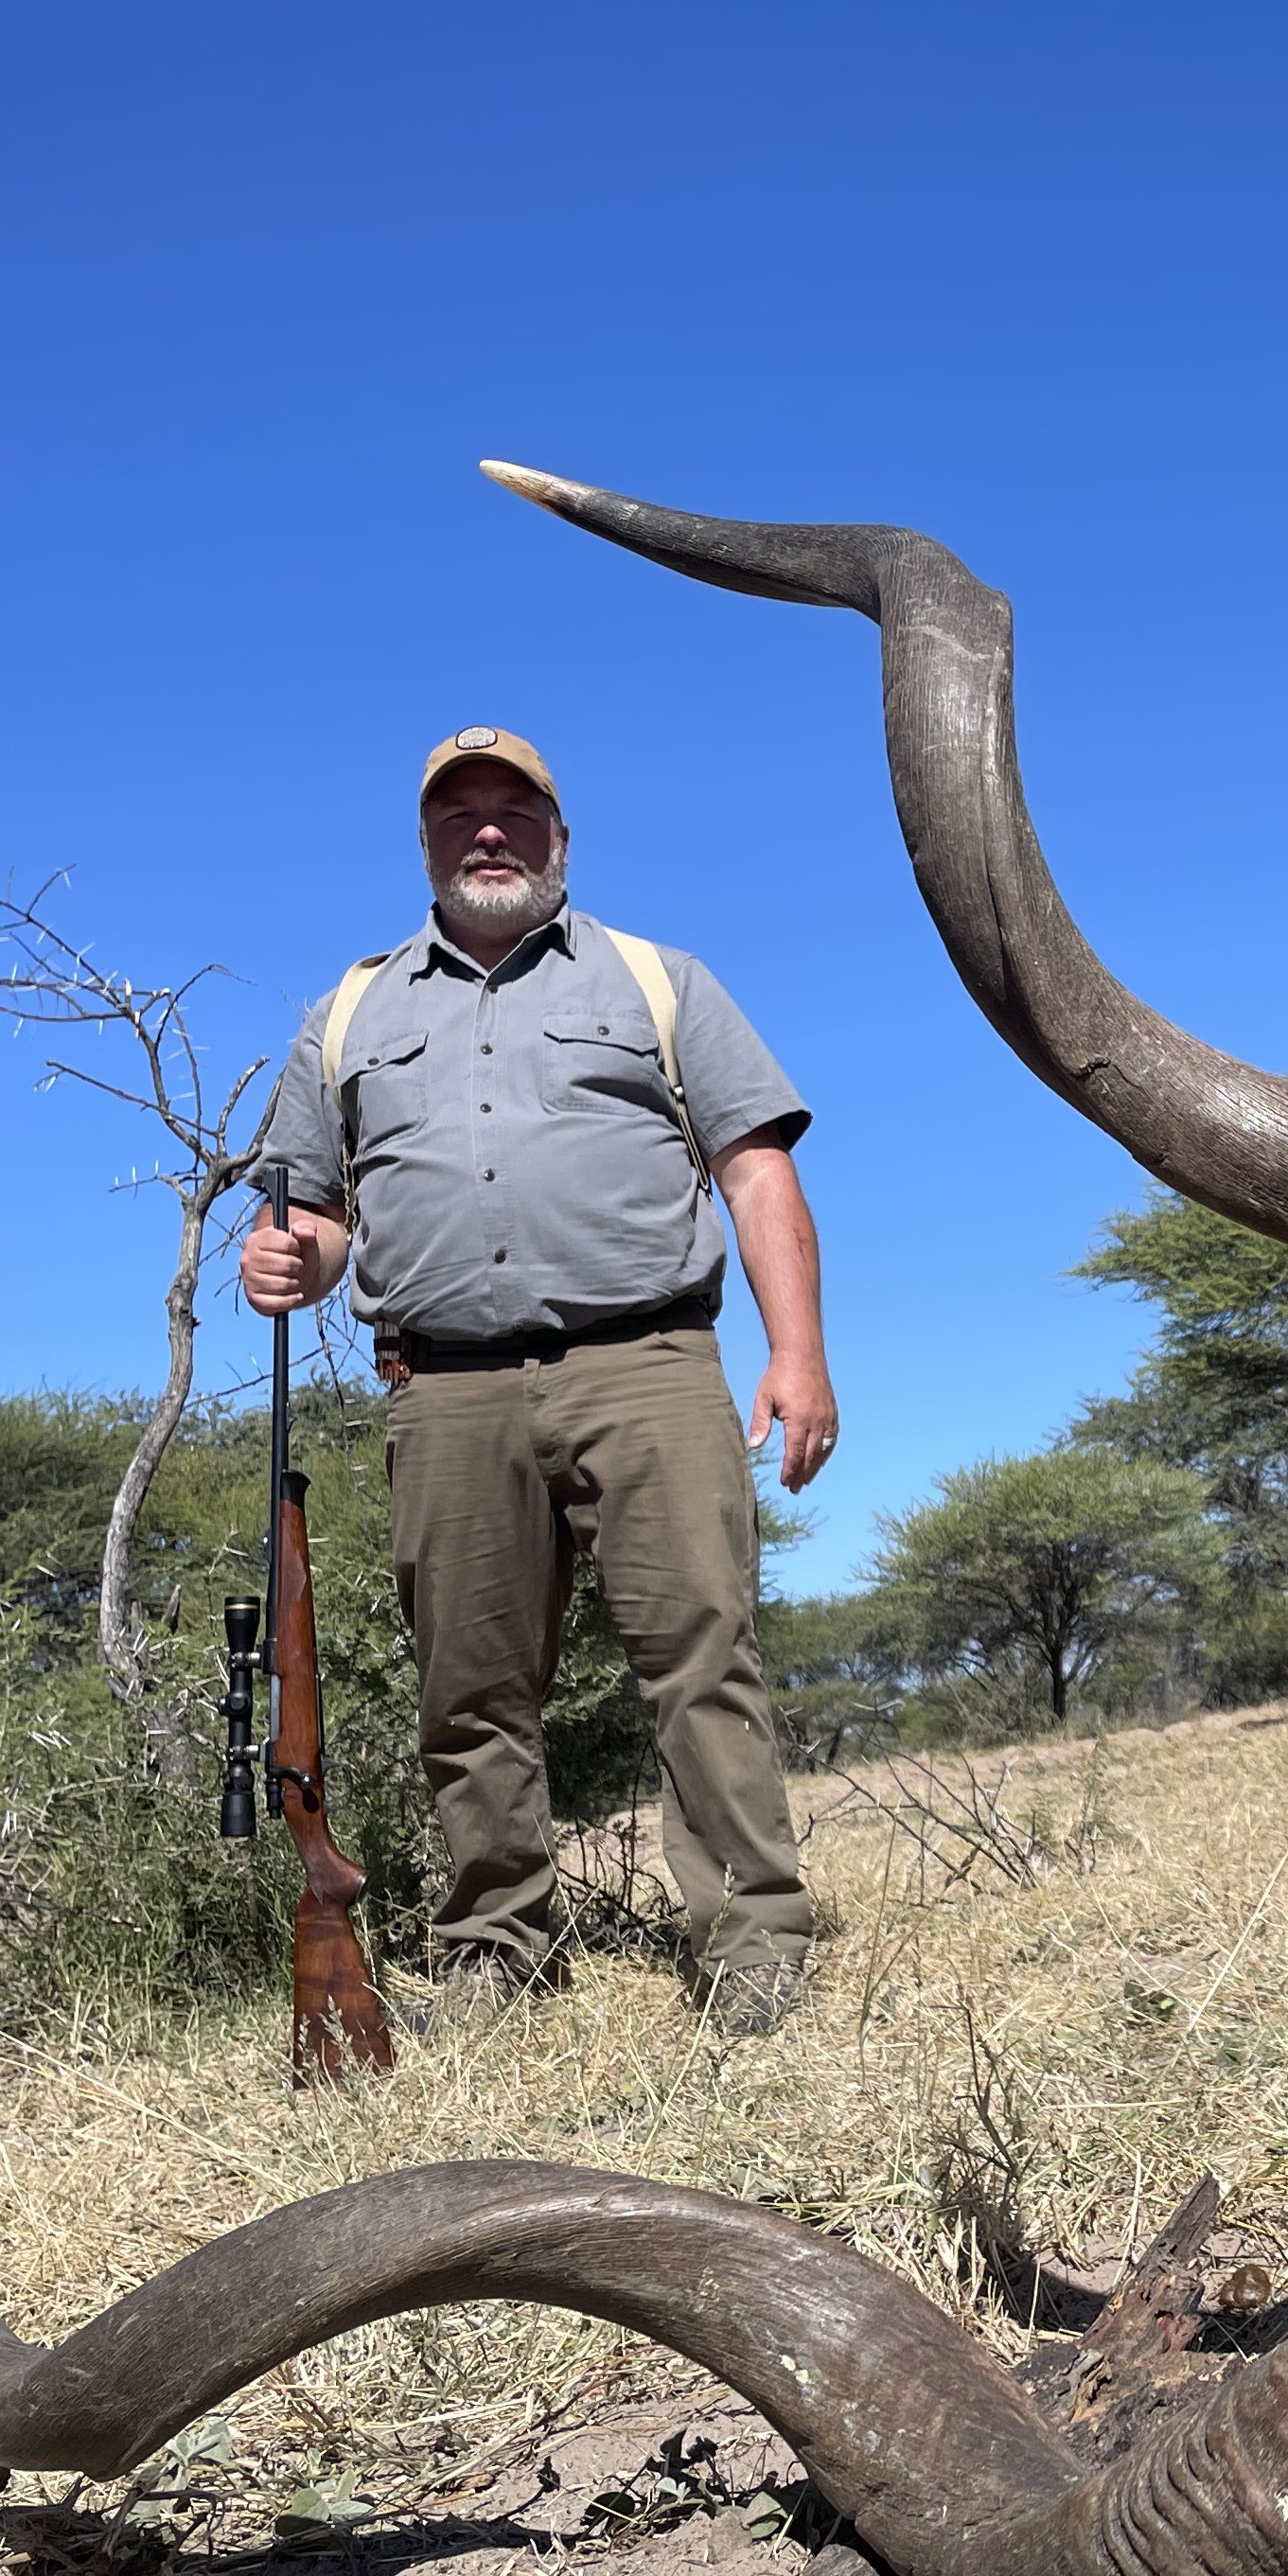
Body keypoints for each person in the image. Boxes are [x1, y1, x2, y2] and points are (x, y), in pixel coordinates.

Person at [238, 725, 836, 2030]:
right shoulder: (347, 1012)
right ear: (428, 845)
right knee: (470, 1689)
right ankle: (498, 1953)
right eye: (462, 816)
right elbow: (321, 1216)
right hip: (445, 1391)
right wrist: (287, 1258)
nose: (489, 833)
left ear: (560, 838)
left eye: (516, 812)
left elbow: (755, 1170)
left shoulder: (657, 980)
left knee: (699, 1657)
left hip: (651, 1362)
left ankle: (753, 1945)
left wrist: (798, 1354)